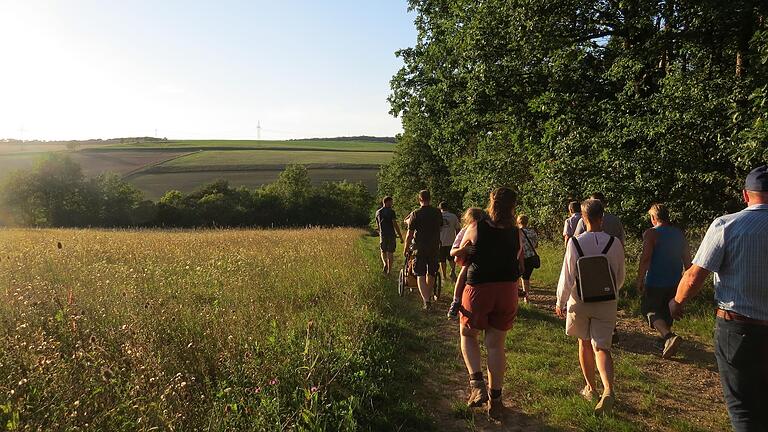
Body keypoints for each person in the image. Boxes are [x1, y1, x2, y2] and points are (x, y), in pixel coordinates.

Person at [669, 165, 768, 432]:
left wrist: (677, 302)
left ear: (745, 195)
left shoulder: (727, 225)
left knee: (743, 409)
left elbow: (694, 276)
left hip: (738, 330)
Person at [458, 187, 524, 419]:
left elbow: (461, 257)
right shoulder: (516, 232)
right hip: (507, 290)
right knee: (496, 345)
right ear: (512, 206)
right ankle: (496, 399)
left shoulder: (476, 227)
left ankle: (477, 386)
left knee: (468, 335)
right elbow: (516, 257)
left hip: (479, 289)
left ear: (491, 202)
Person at [555, 199, 626, 415]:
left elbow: (567, 276)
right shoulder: (614, 243)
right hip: (606, 300)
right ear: (601, 218)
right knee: (602, 347)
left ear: (583, 219)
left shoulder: (575, 243)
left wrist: (561, 301)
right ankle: (608, 389)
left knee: (584, 343)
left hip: (581, 300)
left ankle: (590, 387)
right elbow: (620, 275)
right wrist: (612, 292)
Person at [636, 203, 691, 358]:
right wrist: (688, 282)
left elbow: (646, 258)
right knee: (666, 312)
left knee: (649, 309)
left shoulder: (652, 233)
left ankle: (668, 337)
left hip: (655, 281)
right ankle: (663, 342)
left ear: (654, 218)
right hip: (675, 281)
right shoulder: (679, 234)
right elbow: (687, 260)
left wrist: (640, 279)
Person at [404, 190, 443, 310]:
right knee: (431, 272)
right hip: (434, 246)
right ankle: (428, 296)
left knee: (420, 273)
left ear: (419, 199)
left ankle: (426, 301)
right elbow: (440, 227)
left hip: (420, 247)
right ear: (430, 198)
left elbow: (410, 234)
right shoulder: (437, 212)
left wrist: (406, 247)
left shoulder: (416, 214)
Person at [447, 207, 486, 320]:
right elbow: (452, 252)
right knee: (463, 273)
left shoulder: (487, 230)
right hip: (470, 260)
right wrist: (464, 250)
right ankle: (456, 301)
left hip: (483, 260)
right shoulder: (465, 231)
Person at [375, 196, 403, 274]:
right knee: (390, 252)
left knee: (383, 251)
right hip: (391, 234)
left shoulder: (378, 212)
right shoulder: (391, 212)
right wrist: (400, 235)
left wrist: (380, 232)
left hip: (383, 234)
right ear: (387, 202)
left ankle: (385, 263)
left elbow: (378, 225)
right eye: (391, 202)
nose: (392, 204)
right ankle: (389, 271)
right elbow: (395, 224)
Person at [517, 214, 539, 304]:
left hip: (520, 257)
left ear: (518, 222)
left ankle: (517, 296)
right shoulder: (532, 232)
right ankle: (527, 298)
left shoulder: (517, 232)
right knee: (526, 278)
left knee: (518, 277)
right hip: (531, 257)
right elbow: (536, 245)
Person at [439, 202, 461, 281]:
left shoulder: (438, 216)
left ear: (440, 208)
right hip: (451, 241)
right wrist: (458, 239)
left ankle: (444, 276)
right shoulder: (453, 216)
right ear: (447, 207)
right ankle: (453, 271)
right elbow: (458, 228)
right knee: (451, 259)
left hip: (440, 242)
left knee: (442, 260)